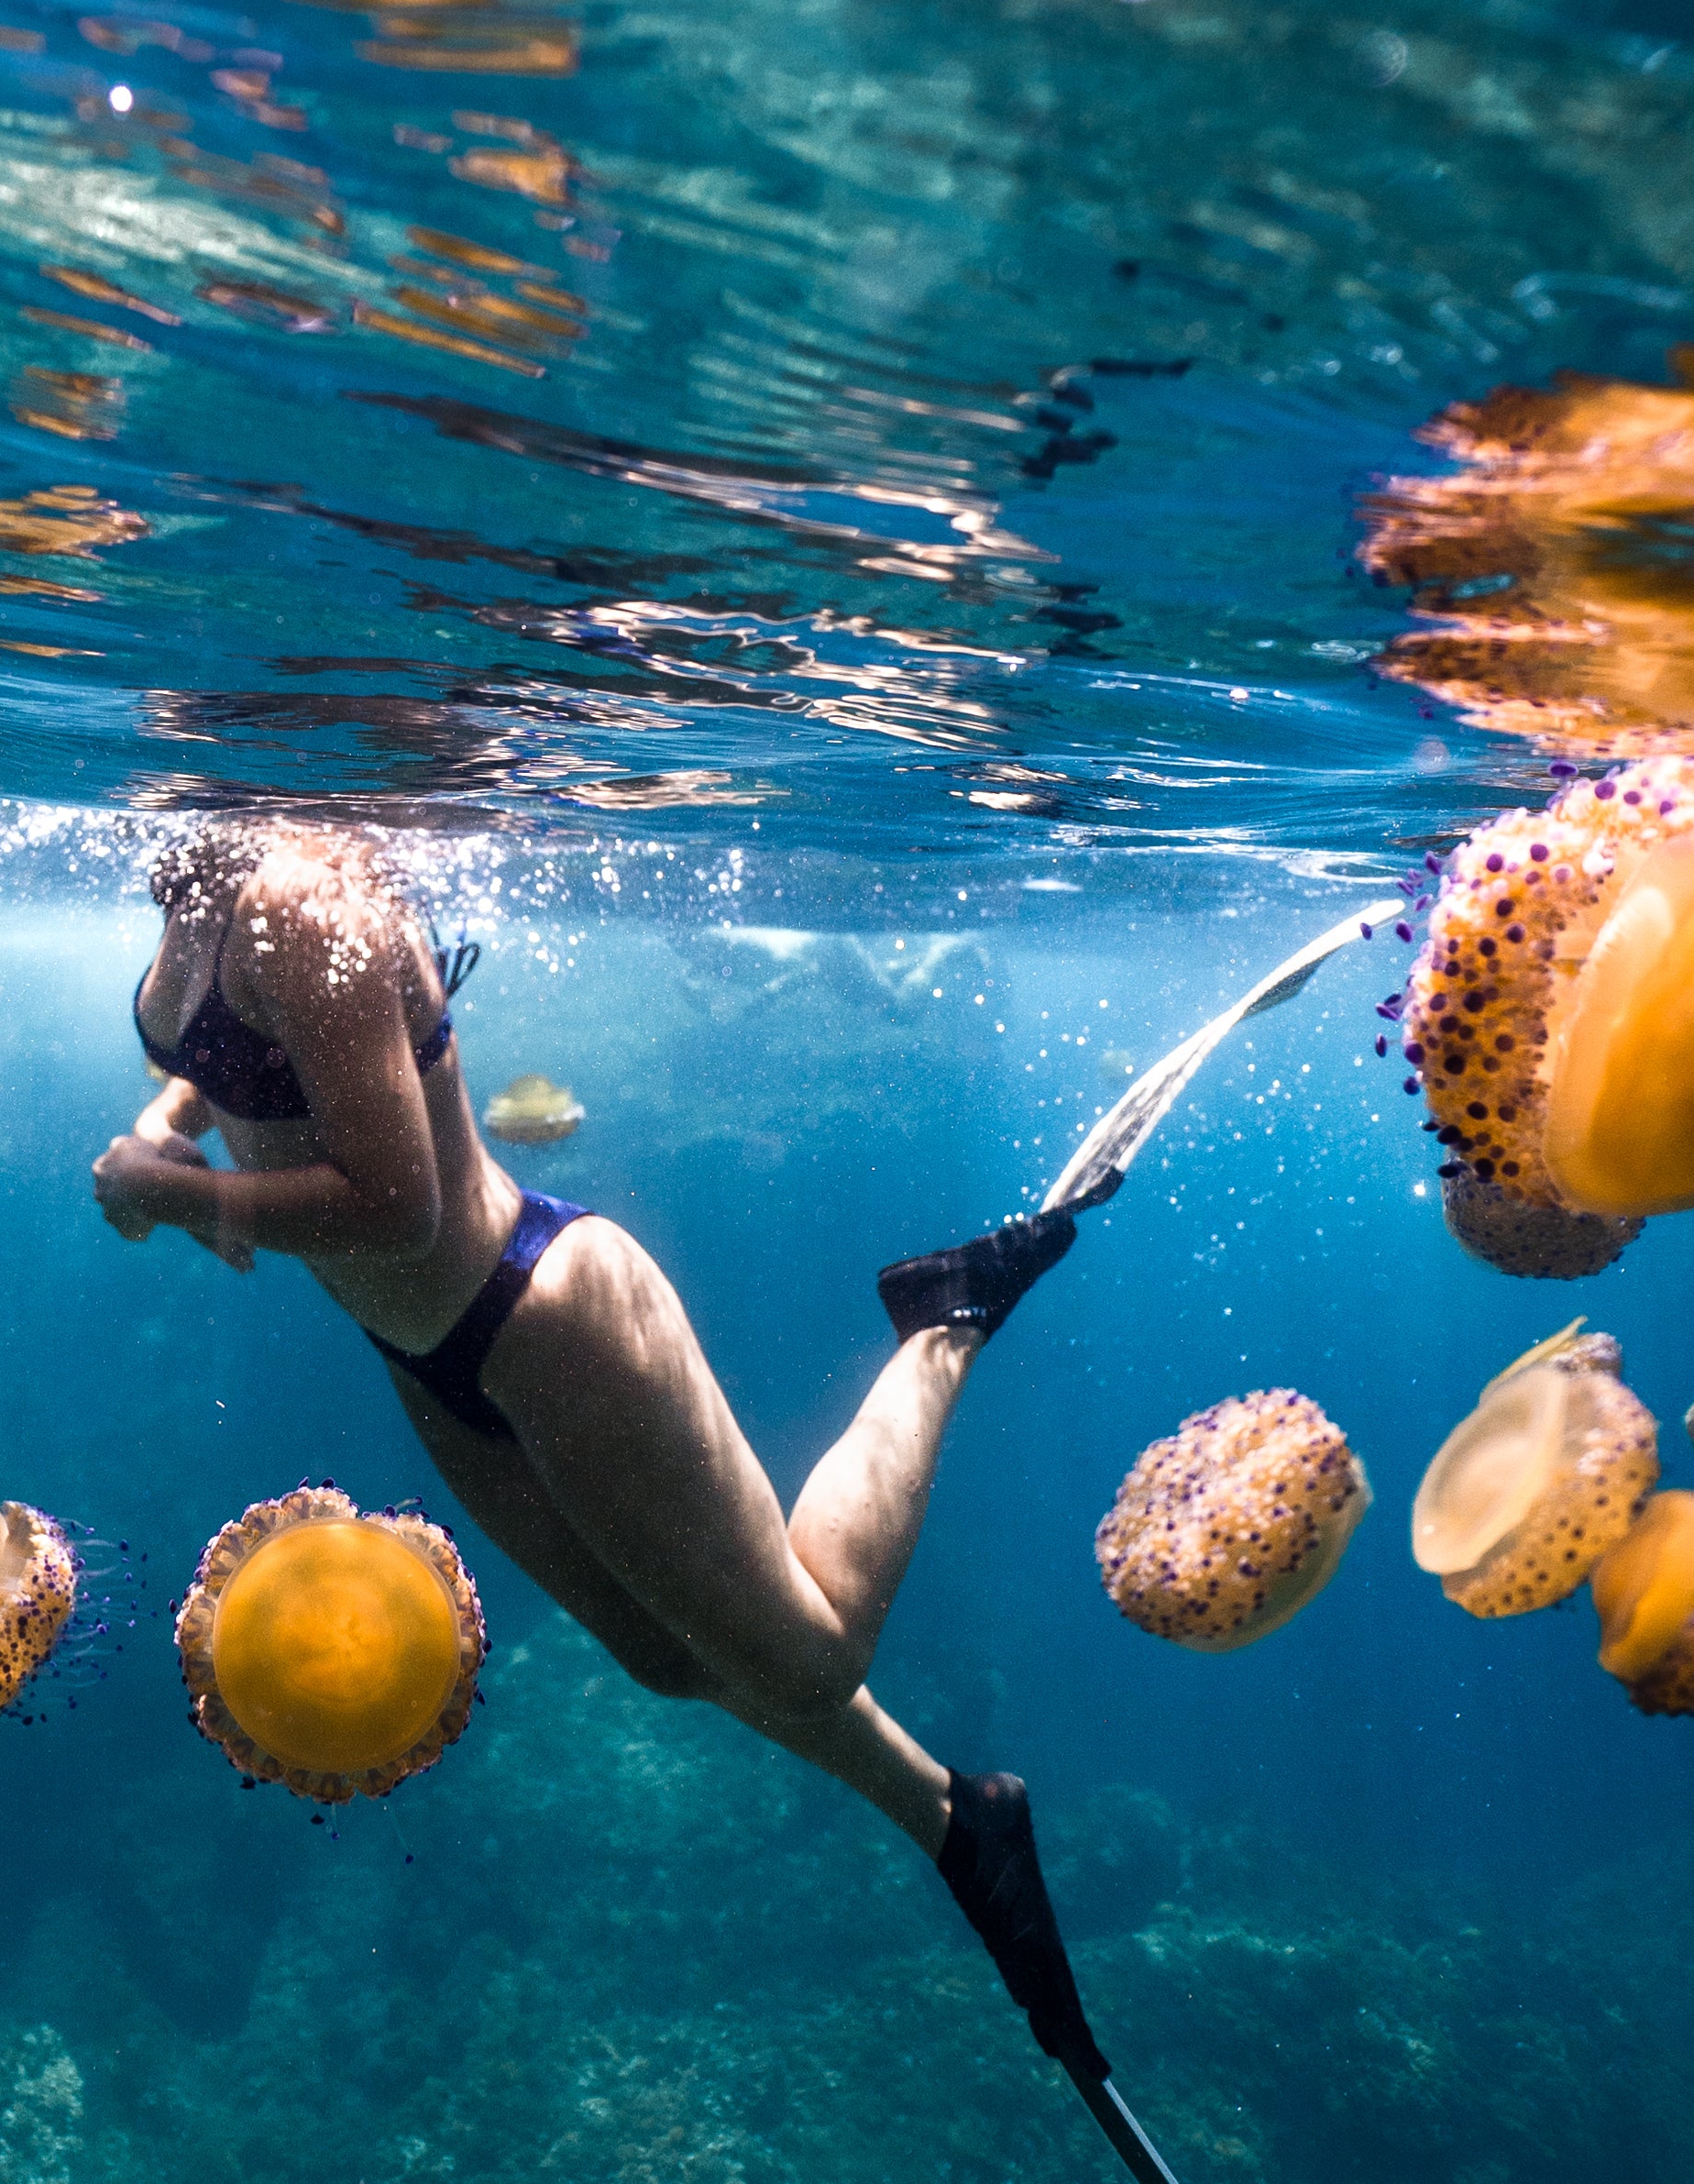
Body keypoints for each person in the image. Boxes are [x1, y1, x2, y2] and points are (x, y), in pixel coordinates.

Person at [90, 821, 1071, 1942]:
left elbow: (399, 1206)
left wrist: (188, 1200)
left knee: (813, 1657)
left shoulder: (304, 904)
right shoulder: (193, 871)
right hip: (421, 1352)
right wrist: (160, 1132)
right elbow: (217, 1053)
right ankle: (952, 1820)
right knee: (662, 1656)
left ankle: (942, 1319)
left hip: (538, 1312)